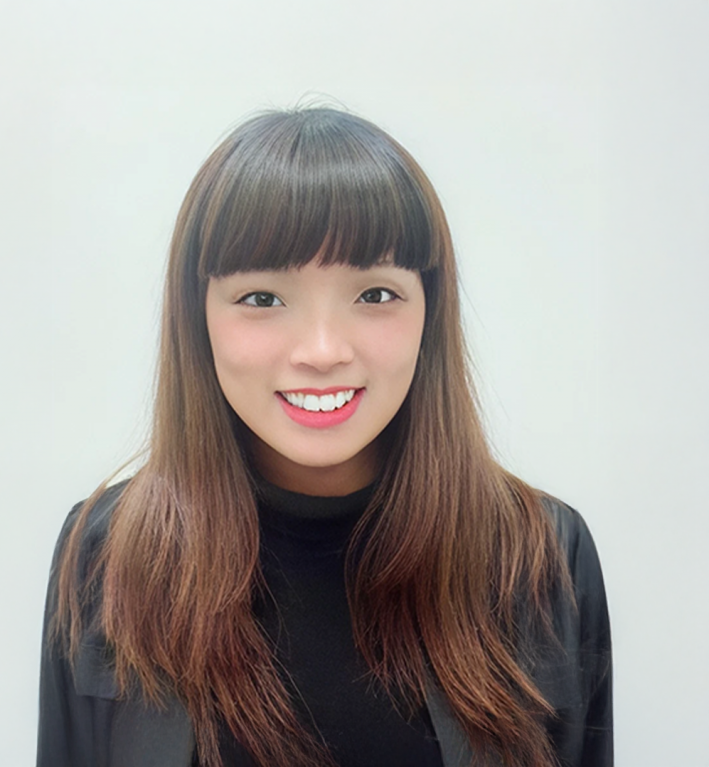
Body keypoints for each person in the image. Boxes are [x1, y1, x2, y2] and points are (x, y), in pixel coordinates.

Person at [37, 107, 612, 767]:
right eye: (262, 299)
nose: (321, 350)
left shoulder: (541, 560)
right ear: (198, 319)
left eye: (374, 294)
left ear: (430, 310)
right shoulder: (105, 556)